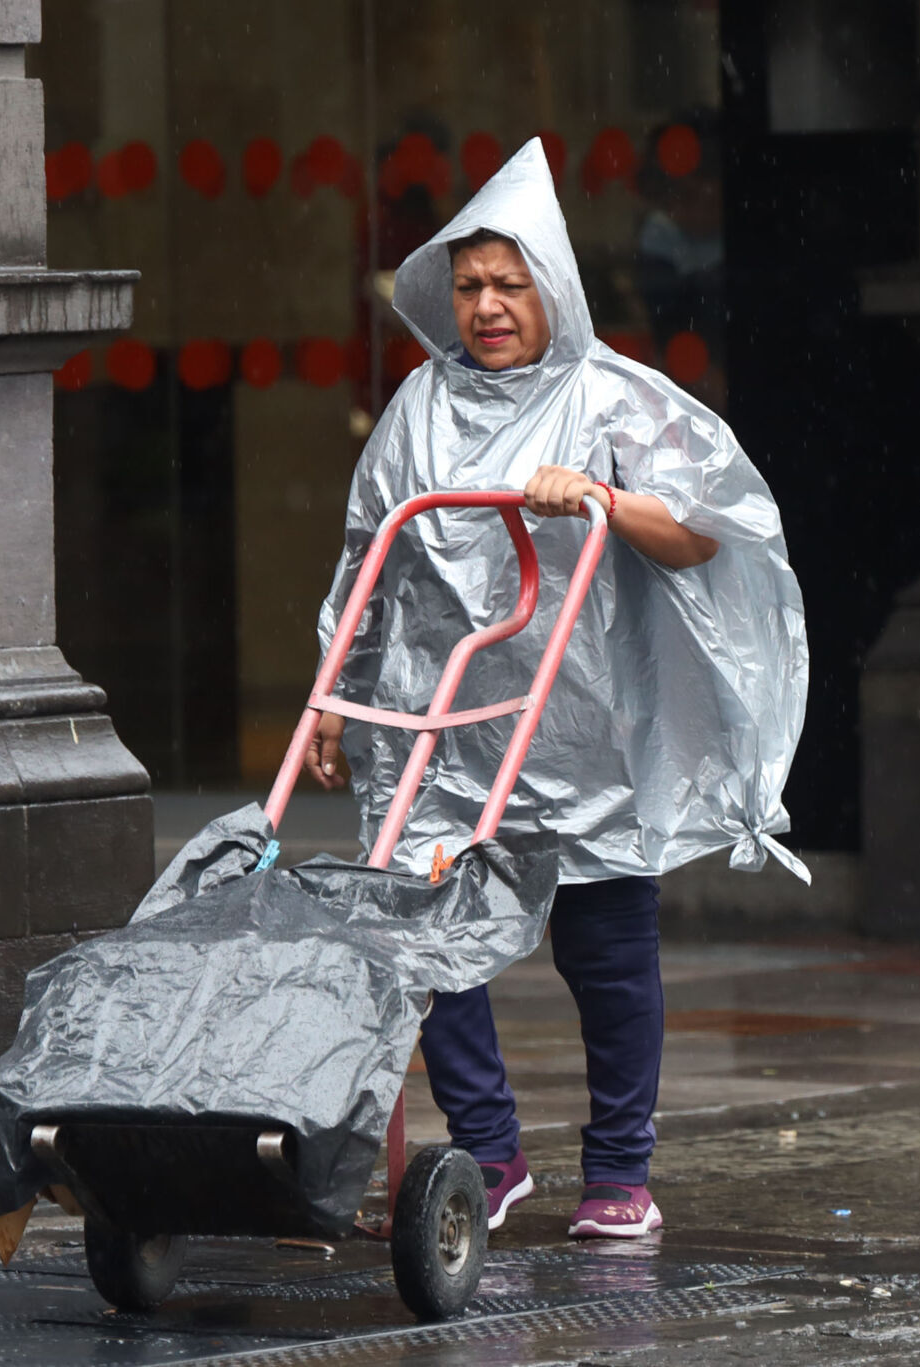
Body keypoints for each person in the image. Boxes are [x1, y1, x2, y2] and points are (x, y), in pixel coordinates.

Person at [306, 139, 807, 1239]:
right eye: (469, 286)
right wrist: (335, 695)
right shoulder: (414, 410)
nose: (486, 306)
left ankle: (621, 1169)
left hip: (582, 726)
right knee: (426, 946)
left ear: (552, 291)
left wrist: (596, 497)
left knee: (607, 957)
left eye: (509, 284)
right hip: (440, 728)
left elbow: (697, 538)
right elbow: (366, 560)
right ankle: (487, 1152)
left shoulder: (618, 400)